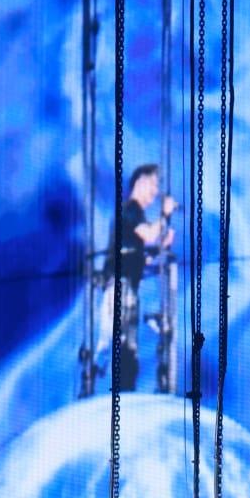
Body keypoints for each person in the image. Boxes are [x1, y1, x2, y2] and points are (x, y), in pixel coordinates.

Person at [99, 164, 175, 391]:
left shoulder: (130, 215)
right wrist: (165, 214)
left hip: (125, 287)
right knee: (125, 347)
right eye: (153, 185)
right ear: (140, 181)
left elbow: (141, 253)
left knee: (127, 347)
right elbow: (149, 234)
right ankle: (122, 392)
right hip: (121, 288)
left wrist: (161, 244)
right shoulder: (131, 209)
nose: (155, 193)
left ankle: (122, 389)